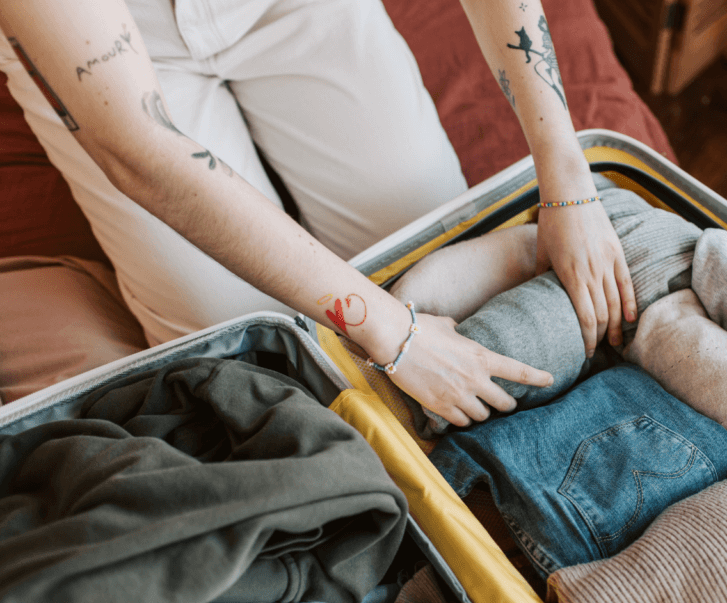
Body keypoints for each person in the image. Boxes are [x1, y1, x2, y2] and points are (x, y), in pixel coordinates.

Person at [0, 0, 637, 428]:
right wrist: (394, 333)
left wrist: (565, 176)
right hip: (107, 45)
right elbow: (139, 149)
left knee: (435, 255)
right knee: (242, 358)